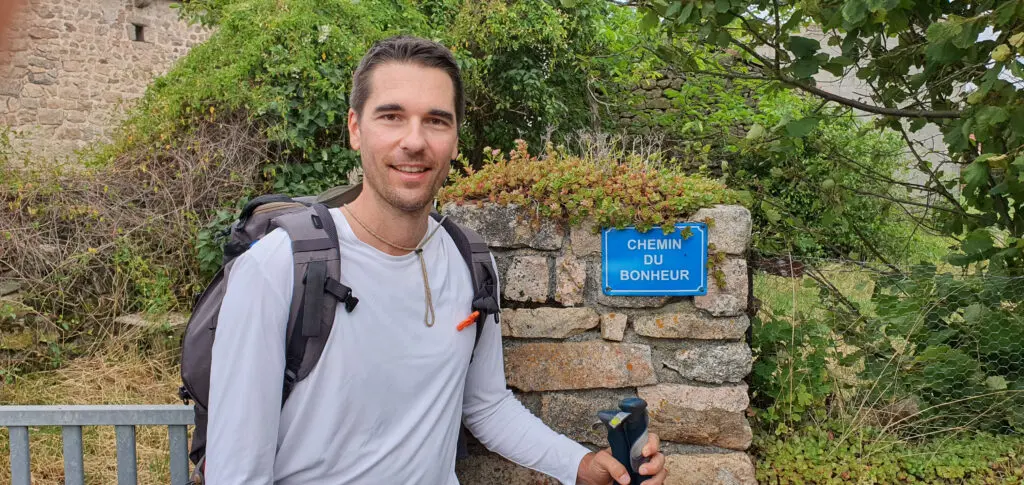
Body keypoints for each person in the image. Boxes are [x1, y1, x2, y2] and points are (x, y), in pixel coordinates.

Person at [205, 35, 668, 485]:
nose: (414, 141)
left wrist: (580, 466)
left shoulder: (470, 262)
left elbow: (486, 406)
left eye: (436, 121)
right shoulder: (278, 268)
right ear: (354, 128)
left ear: (455, 139)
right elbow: (238, 473)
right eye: (391, 116)